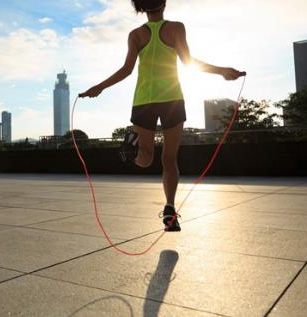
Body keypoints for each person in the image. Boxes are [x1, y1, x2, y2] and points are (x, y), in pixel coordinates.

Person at [79, 0, 245, 231]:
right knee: (157, 159)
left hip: (158, 100)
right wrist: (222, 72)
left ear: (140, 7)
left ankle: (162, 196)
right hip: (158, 100)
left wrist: (99, 87)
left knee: (157, 159)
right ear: (164, 3)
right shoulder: (157, 31)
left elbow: (137, 68)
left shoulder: (151, 32)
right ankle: (165, 200)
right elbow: (181, 63)